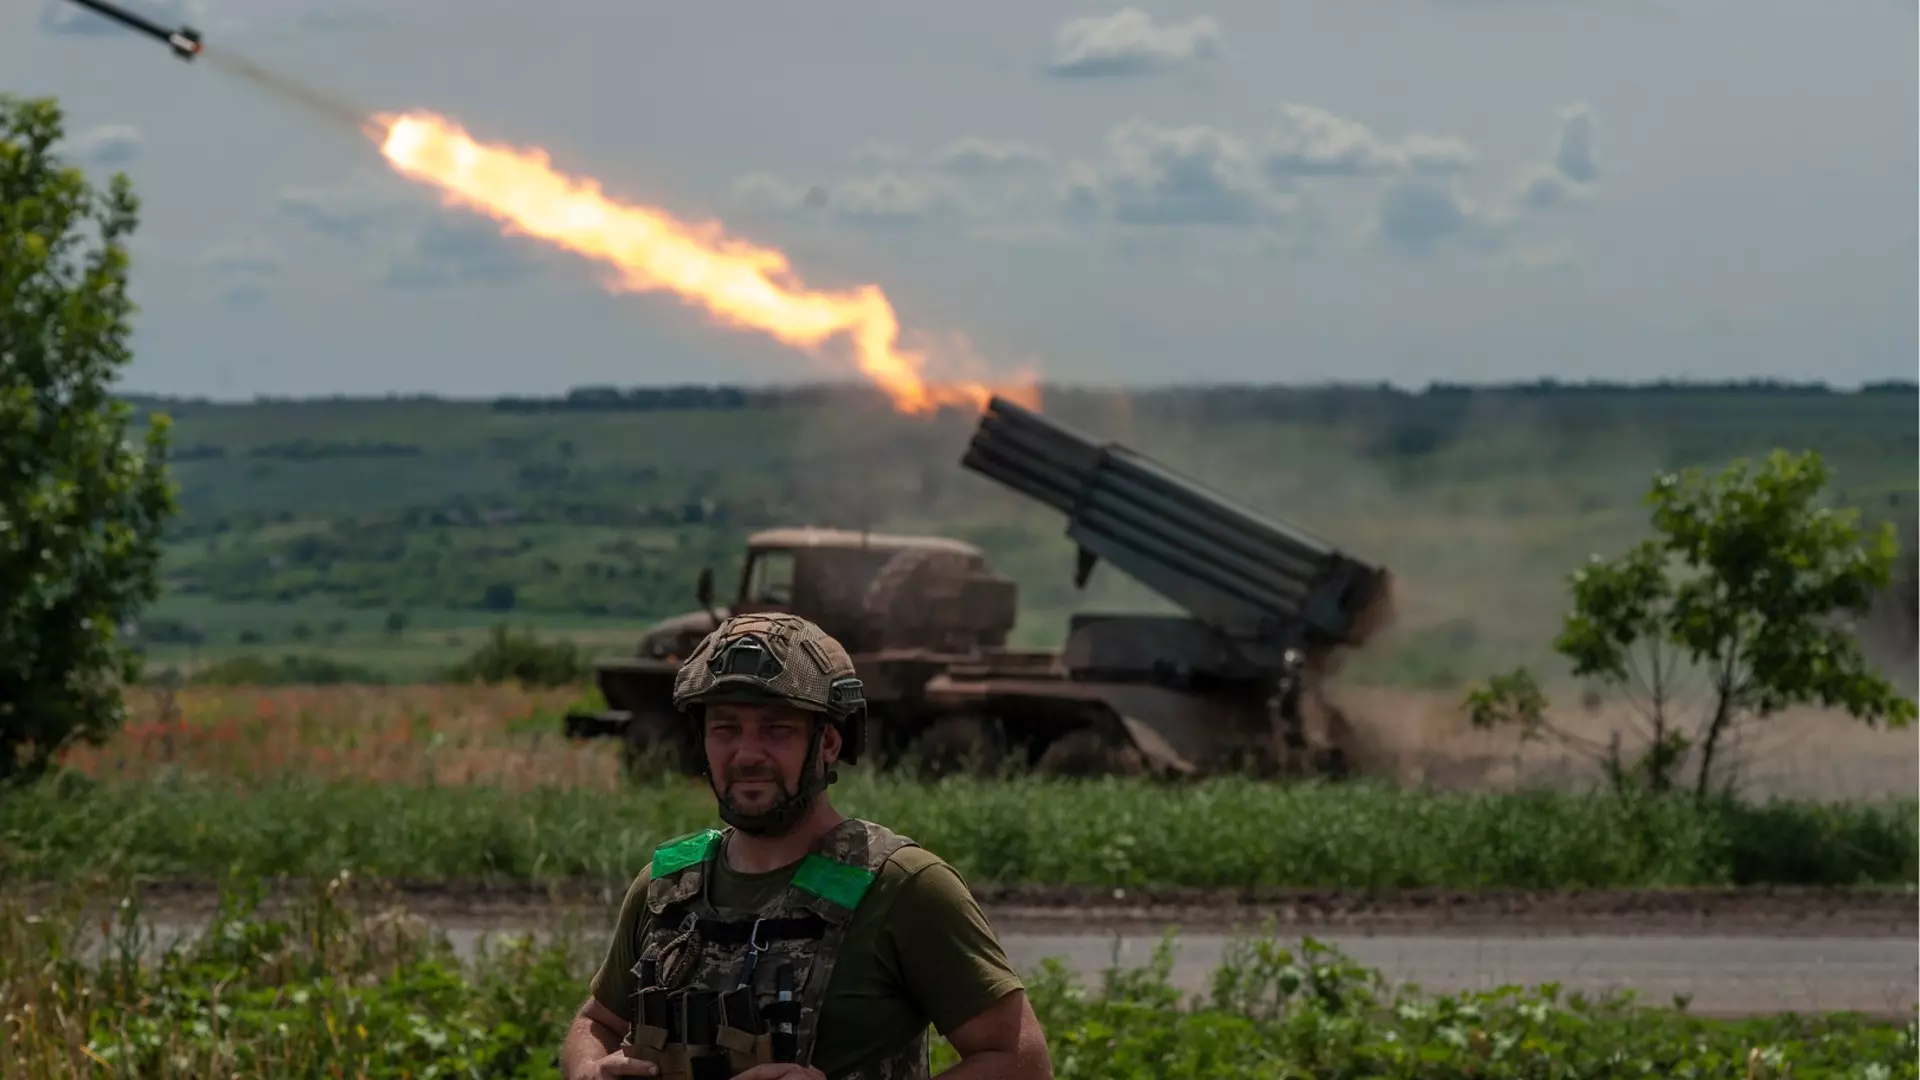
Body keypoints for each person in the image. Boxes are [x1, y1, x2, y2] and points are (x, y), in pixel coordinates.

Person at [560, 612, 1053, 1080]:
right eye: (726, 728)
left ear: (829, 744)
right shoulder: (668, 885)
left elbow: (1021, 1062)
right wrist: (588, 1069)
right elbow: (597, 1022)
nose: (748, 753)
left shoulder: (903, 886)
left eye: (778, 730)